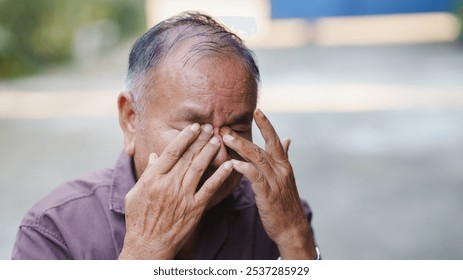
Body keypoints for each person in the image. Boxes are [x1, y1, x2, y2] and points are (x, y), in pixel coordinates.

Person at [12, 11, 320, 260]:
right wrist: (144, 253)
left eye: (237, 130)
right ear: (131, 119)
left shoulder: (277, 216)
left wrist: (295, 240)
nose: (221, 155)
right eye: (194, 130)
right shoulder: (55, 231)